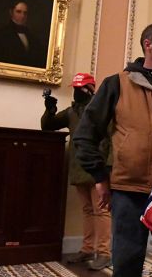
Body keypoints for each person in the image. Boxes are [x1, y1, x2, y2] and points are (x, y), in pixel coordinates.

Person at [72, 22, 152, 277]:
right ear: (148, 44)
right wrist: (100, 177)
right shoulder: (116, 84)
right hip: (129, 191)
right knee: (127, 266)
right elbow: (85, 135)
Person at [41, 72, 112, 270]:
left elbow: (111, 138)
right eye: (74, 88)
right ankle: (88, 248)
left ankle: (104, 253)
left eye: (80, 88)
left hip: (97, 168)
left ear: (90, 89)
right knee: (88, 210)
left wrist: (107, 168)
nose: (76, 92)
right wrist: (49, 109)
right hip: (78, 167)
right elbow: (47, 126)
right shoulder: (72, 112)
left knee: (102, 211)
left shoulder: (102, 109)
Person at [0, 1, 46, 68]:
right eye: (18, 12)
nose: (22, 16)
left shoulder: (31, 36)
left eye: (25, 13)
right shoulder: (1, 34)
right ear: (11, 12)